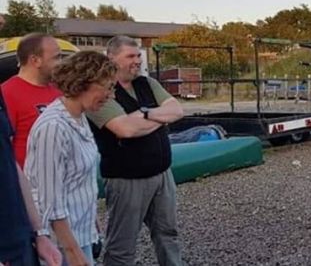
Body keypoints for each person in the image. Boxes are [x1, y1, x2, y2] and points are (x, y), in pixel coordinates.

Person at [86, 36, 184, 266]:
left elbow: (177, 110)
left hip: (162, 174)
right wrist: (160, 117)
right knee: (122, 245)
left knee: (168, 234)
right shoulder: (101, 91)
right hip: (126, 179)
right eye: (130, 56)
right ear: (111, 58)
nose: (137, 61)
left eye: (138, 55)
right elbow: (125, 129)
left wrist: (145, 115)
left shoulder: (147, 83)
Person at [24, 51, 117, 266]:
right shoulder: (54, 127)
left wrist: (92, 221)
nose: (111, 95)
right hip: (58, 243)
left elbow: (78, 179)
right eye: (108, 87)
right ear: (85, 82)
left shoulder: (79, 117)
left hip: (79, 232)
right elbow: (51, 201)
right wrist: (72, 251)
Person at [1, 33, 63, 167]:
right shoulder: (6, 94)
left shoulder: (59, 92)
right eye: (57, 57)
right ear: (35, 60)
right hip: (26, 183)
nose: (61, 63)